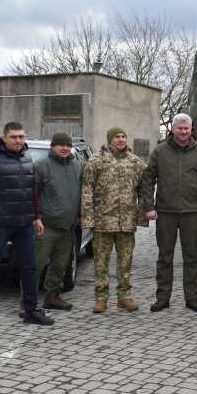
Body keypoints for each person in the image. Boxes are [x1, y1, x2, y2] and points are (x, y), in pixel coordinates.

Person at [0, 121, 54, 334]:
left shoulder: (27, 159)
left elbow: (32, 191)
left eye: (21, 136)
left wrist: (37, 217)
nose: (18, 140)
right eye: (14, 137)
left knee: (29, 268)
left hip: (24, 225)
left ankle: (30, 310)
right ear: (4, 137)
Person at [140, 113, 197, 313]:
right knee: (164, 257)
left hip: (192, 213)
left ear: (191, 129)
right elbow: (148, 179)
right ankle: (162, 298)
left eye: (186, 128)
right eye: (179, 128)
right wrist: (149, 206)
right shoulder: (160, 151)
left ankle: (192, 298)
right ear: (172, 129)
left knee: (192, 257)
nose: (183, 132)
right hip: (165, 212)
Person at [81, 127, 147, 314]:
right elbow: (87, 190)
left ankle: (124, 297)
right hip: (103, 222)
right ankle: (101, 298)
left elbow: (145, 188)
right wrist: (88, 218)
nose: (120, 139)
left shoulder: (135, 162)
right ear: (110, 139)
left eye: (123, 136)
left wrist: (141, 216)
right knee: (101, 262)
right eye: (117, 137)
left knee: (125, 261)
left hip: (127, 222)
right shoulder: (96, 160)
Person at [32, 132, 84, 311]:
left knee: (60, 265)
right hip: (45, 227)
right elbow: (33, 195)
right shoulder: (41, 166)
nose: (65, 148)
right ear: (53, 146)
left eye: (68, 145)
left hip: (68, 227)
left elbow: (82, 194)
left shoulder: (78, 166)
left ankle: (52, 297)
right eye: (61, 145)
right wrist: (36, 217)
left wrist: (80, 215)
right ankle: (27, 302)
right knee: (36, 265)